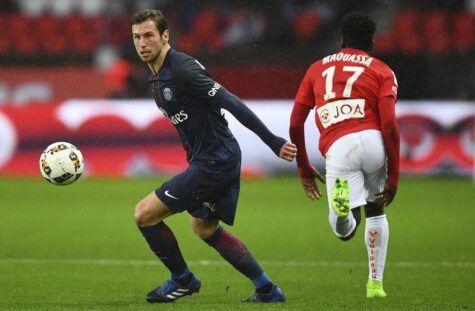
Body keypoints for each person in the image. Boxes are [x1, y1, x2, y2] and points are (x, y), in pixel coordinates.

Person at [130, 10, 296, 303]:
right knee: (203, 227)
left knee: (144, 214)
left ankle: (183, 280)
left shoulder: (181, 70)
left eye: (148, 36)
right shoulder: (157, 74)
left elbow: (229, 101)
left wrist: (272, 141)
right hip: (214, 158)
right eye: (136, 37)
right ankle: (267, 289)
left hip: (215, 161)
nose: (142, 43)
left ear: (165, 36)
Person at [289, 11, 400, 298]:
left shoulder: (316, 69)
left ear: (342, 39)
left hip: (339, 147)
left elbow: (294, 123)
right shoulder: (382, 70)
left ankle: (342, 211)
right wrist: (395, 176)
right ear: (372, 41)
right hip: (374, 142)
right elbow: (389, 124)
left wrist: (303, 167)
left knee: (344, 230)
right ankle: (375, 285)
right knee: (376, 210)